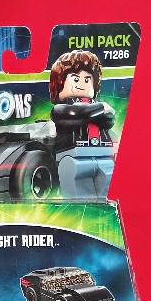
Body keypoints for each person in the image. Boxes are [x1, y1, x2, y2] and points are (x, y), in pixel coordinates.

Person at [49, 50, 115, 200]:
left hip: (103, 155)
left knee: (105, 194)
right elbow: (77, 114)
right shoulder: (61, 109)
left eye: (87, 80)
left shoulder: (97, 108)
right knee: (78, 197)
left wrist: (99, 112)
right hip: (72, 156)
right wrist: (100, 108)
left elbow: (109, 120)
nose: (81, 84)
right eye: (75, 79)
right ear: (60, 83)